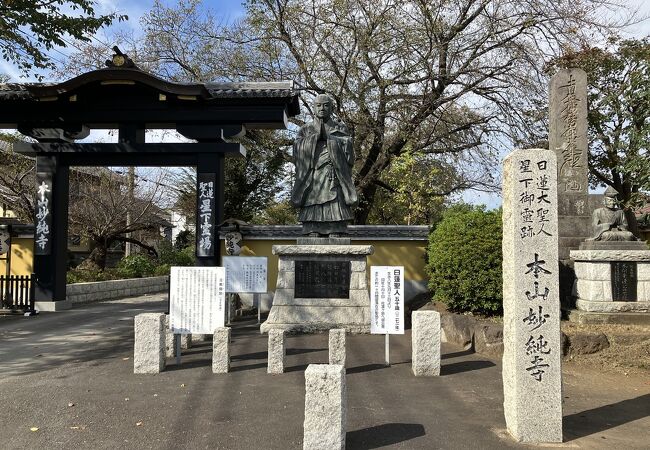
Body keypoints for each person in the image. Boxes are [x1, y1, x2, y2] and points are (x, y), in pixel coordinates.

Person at [291, 94, 358, 235]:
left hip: (334, 171)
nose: (322, 108)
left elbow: (348, 146)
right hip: (313, 173)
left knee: (335, 198)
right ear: (314, 108)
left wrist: (330, 138)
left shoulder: (340, 127)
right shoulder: (306, 129)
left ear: (332, 108)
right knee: (312, 198)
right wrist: (315, 138)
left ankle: (336, 228)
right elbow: (298, 148)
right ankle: (311, 227)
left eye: (326, 105)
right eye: (318, 105)